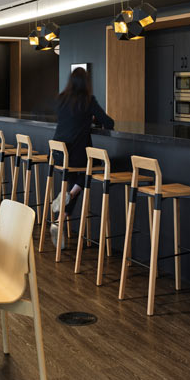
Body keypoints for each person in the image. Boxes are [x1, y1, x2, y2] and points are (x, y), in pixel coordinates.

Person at [50, 67, 114, 246]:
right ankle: (69, 195)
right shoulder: (88, 100)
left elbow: (69, 118)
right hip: (76, 156)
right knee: (90, 170)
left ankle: (59, 219)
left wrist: (87, 119)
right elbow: (109, 122)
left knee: (78, 177)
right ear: (86, 83)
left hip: (58, 154)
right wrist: (91, 118)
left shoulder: (61, 99)